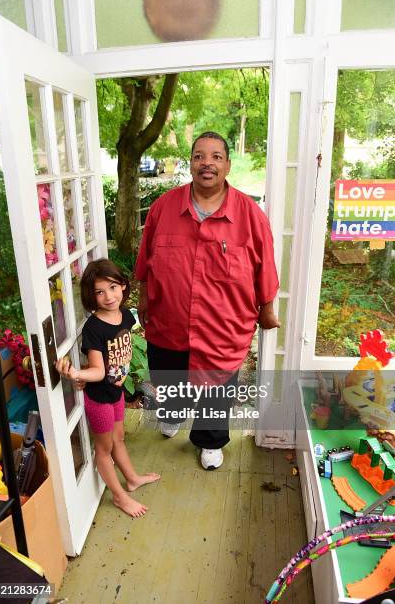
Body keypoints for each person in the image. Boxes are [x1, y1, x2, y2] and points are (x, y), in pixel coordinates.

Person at [135, 131, 280, 470]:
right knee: (167, 376)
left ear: (227, 165)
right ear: (191, 163)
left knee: (217, 391)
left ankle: (210, 441)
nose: (207, 163)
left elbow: (266, 268)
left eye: (216, 157)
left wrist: (268, 309)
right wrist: (142, 298)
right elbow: (145, 261)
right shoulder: (163, 208)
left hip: (222, 326)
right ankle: (172, 414)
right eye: (199, 156)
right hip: (168, 322)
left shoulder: (250, 215)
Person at [55, 258, 160, 517]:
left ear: (123, 286)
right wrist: (77, 373)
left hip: (116, 393)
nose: (108, 296)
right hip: (100, 398)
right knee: (104, 449)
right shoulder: (94, 328)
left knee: (119, 439)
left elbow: (119, 354)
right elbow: (99, 369)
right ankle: (120, 497)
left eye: (112, 287)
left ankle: (132, 478)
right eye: (99, 292)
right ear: (92, 296)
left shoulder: (125, 315)